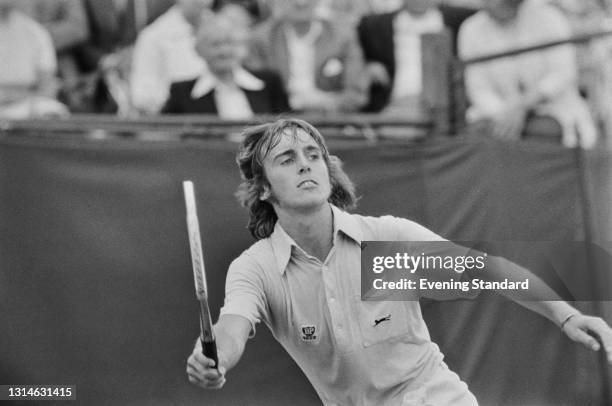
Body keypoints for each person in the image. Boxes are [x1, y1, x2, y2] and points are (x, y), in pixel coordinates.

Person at [185, 118, 612, 405]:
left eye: (313, 156)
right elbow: (231, 329)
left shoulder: (384, 242)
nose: (305, 166)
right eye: (287, 159)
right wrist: (215, 358)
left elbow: (490, 272)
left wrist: (566, 316)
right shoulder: (257, 269)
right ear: (263, 190)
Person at [458, 0, 597, 148]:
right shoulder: (470, 29)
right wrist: (505, 115)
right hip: (497, 115)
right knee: (480, 134)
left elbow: (563, 74)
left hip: (553, 110)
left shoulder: (547, 17)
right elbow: (479, 89)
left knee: (545, 132)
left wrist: (523, 106)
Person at [246, 0, 368, 113]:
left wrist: (324, 102)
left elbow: (357, 95)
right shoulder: (261, 39)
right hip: (278, 123)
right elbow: (257, 94)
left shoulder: (342, 36)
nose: (301, 2)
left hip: (330, 122)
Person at [162, 13, 289, 116]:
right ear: (199, 50)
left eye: (230, 43)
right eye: (215, 44)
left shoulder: (270, 83)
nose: (224, 51)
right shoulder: (181, 93)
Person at [130, 0, 216, 115]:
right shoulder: (152, 36)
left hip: (221, 117)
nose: (201, 1)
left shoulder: (223, 26)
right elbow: (142, 95)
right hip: (175, 121)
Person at [0, 0, 68, 118]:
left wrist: (13, 96)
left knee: (52, 109)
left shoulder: (36, 32)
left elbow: (47, 88)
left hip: (22, 106)